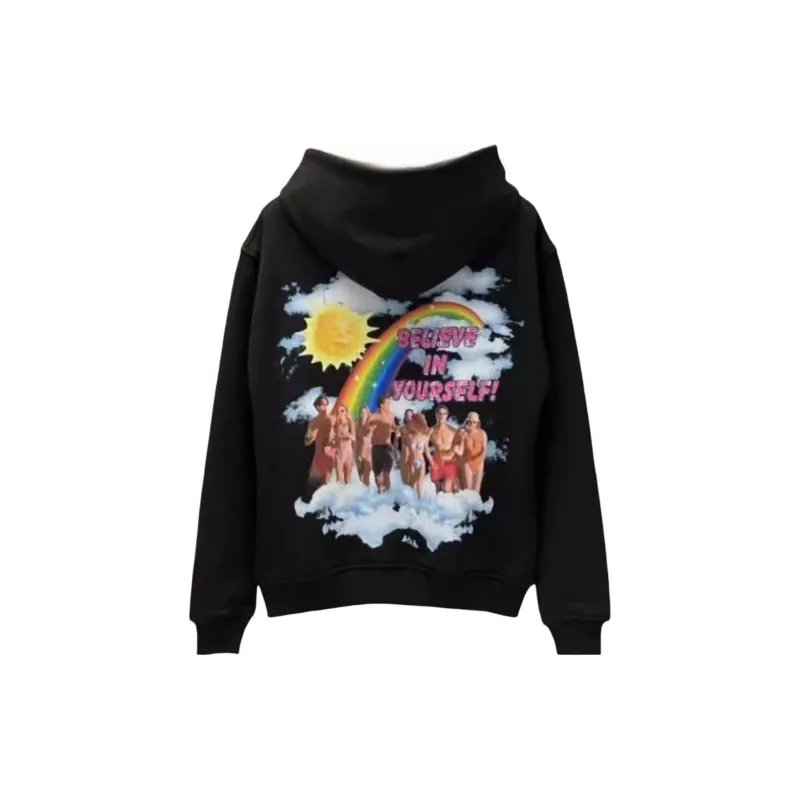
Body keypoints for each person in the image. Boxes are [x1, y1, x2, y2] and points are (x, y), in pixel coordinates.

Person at [428, 404, 462, 493]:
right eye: (440, 413)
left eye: (444, 414)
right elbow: (422, 445)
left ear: (447, 415)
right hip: (437, 463)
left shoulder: (453, 431)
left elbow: (460, 449)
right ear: (436, 415)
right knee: (438, 491)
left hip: (450, 462)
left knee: (447, 489)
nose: (442, 416)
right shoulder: (431, 431)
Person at [367, 395, 396, 493]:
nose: (389, 405)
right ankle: (380, 491)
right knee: (378, 473)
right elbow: (366, 429)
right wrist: (372, 427)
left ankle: (388, 492)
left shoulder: (391, 416)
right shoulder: (374, 416)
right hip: (376, 447)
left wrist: (398, 430)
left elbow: (393, 427)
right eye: (387, 403)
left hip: (387, 447)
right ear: (381, 405)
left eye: (389, 403)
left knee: (387, 469)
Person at [304, 394, 334, 486]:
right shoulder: (313, 423)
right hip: (318, 456)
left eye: (326, 404)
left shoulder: (332, 420)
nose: (325, 407)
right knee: (313, 483)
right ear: (317, 407)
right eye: (323, 405)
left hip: (330, 455)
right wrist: (311, 437)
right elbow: (306, 443)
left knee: (327, 483)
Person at [459, 411, 488, 495]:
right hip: (468, 462)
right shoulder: (464, 434)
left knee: (476, 489)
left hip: (479, 462)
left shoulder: (483, 433)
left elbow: (484, 450)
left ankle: (476, 503)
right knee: (469, 490)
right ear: (467, 422)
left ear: (478, 423)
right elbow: (461, 451)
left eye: (474, 422)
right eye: (470, 422)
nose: (472, 424)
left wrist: (479, 460)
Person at [406, 413, 433, 498]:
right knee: (412, 483)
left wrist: (432, 463)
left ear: (417, 422)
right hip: (411, 461)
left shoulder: (425, 436)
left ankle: (420, 500)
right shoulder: (409, 436)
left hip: (421, 461)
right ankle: (410, 500)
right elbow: (407, 451)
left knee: (420, 481)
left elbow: (427, 452)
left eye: (412, 421)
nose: (411, 422)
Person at [331, 404, 356, 484]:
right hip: (339, 453)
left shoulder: (350, 423)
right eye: (338, 412)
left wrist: (346, 434)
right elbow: (331, 438)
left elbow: (354, 438)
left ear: (346, 412)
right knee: (339, 480)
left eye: (342, 411)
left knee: (348, 479)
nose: (340, 413)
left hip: (348, 453)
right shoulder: (336, 424)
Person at [355, 405, 373, 487]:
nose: (362, 414)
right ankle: (363, 492)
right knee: (360, 476)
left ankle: (368, 489)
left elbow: (369, 435)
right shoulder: (357, 424)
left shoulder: (370, 424)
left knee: (366, 475)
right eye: (361, 412)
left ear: (367, 413)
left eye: (364, 412)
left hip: (368, 452)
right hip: (358, 452)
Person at [398, 409, 415, 485]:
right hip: (404, 452)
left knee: (413, 473)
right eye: (407, 415)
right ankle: (405, 488)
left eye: (410, 415)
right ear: (405, 417)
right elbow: (396, 441)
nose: (409, 417)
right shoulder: (402, 429)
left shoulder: (417, 428)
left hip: (414, 453)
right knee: (404, 475)